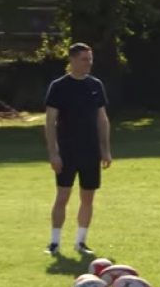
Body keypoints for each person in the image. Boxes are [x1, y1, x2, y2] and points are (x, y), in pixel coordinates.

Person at [43, 43, 112, 256]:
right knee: (63, 196)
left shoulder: (95, 85)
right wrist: (54, 153)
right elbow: (50, 122)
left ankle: (81, 242)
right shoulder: (59, 86)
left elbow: (102, 119)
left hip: (90, 151)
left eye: (90, 59)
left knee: (88, 198)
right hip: (67, 151)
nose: (89, 63)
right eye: (84, 59)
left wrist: (105, 149)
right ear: (72, 60)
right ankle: (54, 243)